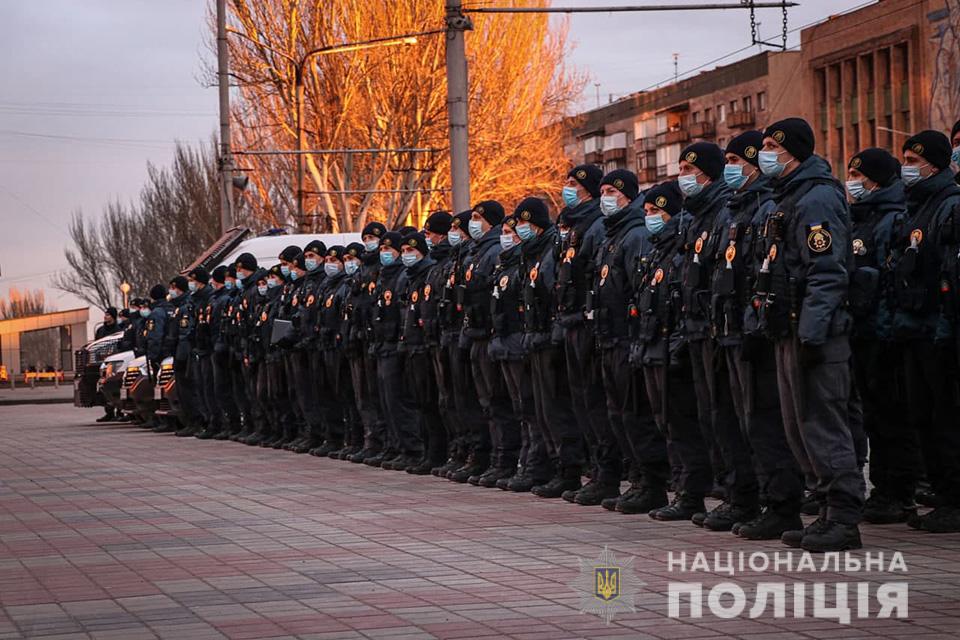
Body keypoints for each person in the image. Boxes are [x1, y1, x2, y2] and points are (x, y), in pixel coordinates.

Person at [751, 117, 864, 551]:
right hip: (790, 328)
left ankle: (844, 517)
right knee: (800, 427)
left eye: (770, 147)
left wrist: (812, 332)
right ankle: (824, 513)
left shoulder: (816, 199)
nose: (764, 155)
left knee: (823, 424)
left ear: (791, 151)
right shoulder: (789, 196)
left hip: (814, 332)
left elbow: (828, 272)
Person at [709, 130, 798, 536]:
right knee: (740, 421)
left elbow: (763, 275)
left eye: (735, 161)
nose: (730, 168)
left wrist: (751, 322)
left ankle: (780, 505)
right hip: (730, 329)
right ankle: (747, 499)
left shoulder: (764, 207)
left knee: (765, 423)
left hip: (756, 332)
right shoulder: (735, 209)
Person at [893, 130, 960, 533]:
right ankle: (942, 492)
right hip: (913, 330)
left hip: (939, 330)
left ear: (934, 164)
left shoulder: (950, 205)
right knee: (923, 417)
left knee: (946, 417)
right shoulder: (919, 205)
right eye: (904, 160)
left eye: (914, 161)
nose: (907, 168)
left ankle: (955, 498)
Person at [589, 169, 667, 509]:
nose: (604, 197)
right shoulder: (612, 235)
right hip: (609, 339)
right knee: (618, 415)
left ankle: (651, 484)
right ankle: (636, 478)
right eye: (602, 190)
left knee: (636, 415)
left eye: (611, 191)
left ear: (627, 195)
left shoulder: (635, 234)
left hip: (627, 339)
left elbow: (640, 290)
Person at [555, 165, 617, 502]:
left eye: (573, 184)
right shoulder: (570, 224)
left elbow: (590, 275)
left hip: (586, 322)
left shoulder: (593, 225)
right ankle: (595, 470)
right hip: (571, 321)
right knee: (581, 402)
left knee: (594, 401)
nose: (567, 188)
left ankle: (605, 473)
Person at [515, 196, 585, 498]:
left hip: (550, 338)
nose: (519, 228)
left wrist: (553, 332)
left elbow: (557, 293)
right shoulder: (529, 253)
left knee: (557, 409)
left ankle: (568, 471)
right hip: (535, 338)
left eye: (524, 223)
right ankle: (553, 467)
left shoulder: (550, 251)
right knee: (540, 410)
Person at [455, 201, 511, 484]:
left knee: (497, 402)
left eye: (477, 218)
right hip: (476, 335)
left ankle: (504, 459)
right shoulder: (476, 252)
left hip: (489, 336)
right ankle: (491, 458)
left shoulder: (492, 251)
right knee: (485, 403)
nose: (472, 224)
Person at [373, 232, 422, 471]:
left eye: (390, 249)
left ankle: (411, 448)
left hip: (396, 346)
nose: (386, 253)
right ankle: (397, 445)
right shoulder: (385, 277)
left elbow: (404, 313)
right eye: (383, 248)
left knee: (399, 400)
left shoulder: (402, 276)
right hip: (384, 345)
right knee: (387, 401)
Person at [396, 232, 444, 474]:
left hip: (425, 347)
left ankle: (435, 453)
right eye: (403, 251)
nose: (406, 256)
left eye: (410, 251)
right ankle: (427, 452)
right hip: (413, 347)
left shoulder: (428, 273)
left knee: (431, 403)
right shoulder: (411, 277)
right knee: (421, 403)